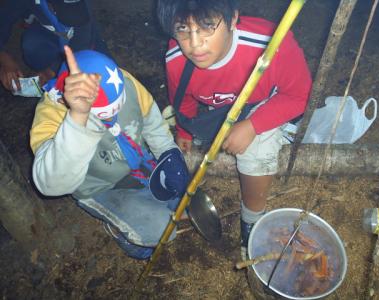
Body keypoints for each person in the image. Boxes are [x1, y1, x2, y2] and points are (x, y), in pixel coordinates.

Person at [156, 0, 312, 259]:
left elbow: (299, 95)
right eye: (183, 28)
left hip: (268, 104)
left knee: (256, 150)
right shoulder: (176, 58)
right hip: (224, 109)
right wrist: (184, 129)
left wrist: (253, 125)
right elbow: (182, 98)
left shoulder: (271, 45)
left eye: (207, 26)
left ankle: (252, 219)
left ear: (231, 19)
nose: (194, 44)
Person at [30, 46, 190, 259]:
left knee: (185, 201)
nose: (113, 119)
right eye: (105, 115)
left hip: (139, 164)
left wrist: (168, 153)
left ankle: (144, 198)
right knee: (161, 231)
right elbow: (51, 186)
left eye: (118, 106)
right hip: (101, 186)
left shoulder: (121, 80)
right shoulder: (50, 117)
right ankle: (116, 224)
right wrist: (79, 118)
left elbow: (152, 121)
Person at [0, 0, 109, 95]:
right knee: (31, 46)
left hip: (82, 35)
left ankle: (56, 72)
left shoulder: (82, 10)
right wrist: (5, 60)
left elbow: (82, 43)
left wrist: (50, 71)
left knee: (101, 81)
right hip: (49, 29)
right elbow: (4, 19)